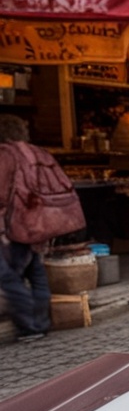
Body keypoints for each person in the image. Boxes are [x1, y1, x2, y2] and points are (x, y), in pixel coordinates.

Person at [0, 115, 52, 341]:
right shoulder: (35, 153)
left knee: (8, 277)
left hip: (13, 225)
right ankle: (41, 322)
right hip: (36, 223)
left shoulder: (6, 155)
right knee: (36, 273)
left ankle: (30, 326)